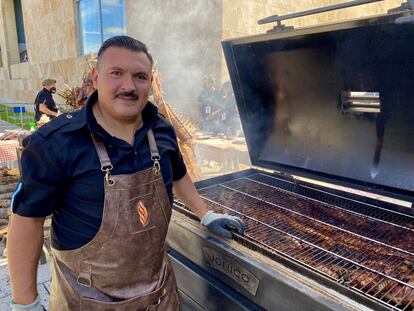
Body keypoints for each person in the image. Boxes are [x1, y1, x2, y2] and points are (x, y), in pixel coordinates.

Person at [7, 36, 244, 311]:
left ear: (151, 83)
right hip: (86, 301)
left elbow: (178, 175)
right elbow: (27, 220)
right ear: (96, 78)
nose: (129, 86)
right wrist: (26, 303)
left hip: (159, 295)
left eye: (140, 76)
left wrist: (206, 213)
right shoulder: (55, 142)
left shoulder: (162, 131)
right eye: (116, 73)